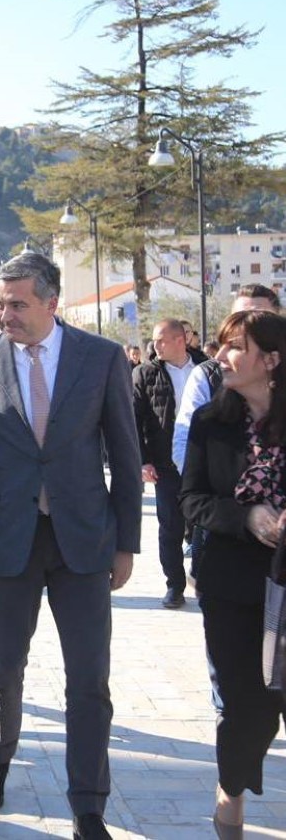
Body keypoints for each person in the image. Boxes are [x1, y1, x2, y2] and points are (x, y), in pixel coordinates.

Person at [0, 253, 142, 839]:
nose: (5, 315)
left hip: (84, 539)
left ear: (51, 303)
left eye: (17, 304)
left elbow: (125, 454)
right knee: (3, 666)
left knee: (90, 677)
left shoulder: (100, 358)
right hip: (10, 539)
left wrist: (127, 543)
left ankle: (88, 803)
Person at [180, 310, 286, 839]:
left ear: (271, 359)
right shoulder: (210, 422)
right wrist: (245, 516)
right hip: (231, 586)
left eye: (235, 347)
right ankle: (231, 793)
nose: (220, 357)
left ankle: (234, 785)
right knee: (245, 704)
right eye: (221, 345)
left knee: (276, 701)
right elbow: (192, 499)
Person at [173, 285, 281, 473]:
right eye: (239, 316)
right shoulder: (206, 376)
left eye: (258, 316)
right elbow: (185, 444)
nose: (246, 323)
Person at [133, 318, 199, 608]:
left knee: (204, 526)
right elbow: (134, 419)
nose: (155, 345)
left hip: (204, 463)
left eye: (161, 339)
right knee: (170, 527)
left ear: (180, 340)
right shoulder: (145, 373)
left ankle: (204, 579)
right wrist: (143, 460)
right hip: (166, 464)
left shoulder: (205, 369)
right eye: (154, 340)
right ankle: (175, 585)